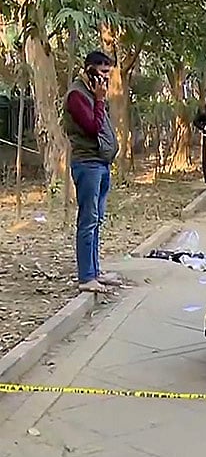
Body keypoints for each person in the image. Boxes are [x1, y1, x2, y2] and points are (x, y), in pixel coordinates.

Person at [63, 51, 119, 293]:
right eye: (102, 72)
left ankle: (95, 271)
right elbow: (93, 127)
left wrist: (99, 98)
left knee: (97, 220)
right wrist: (99, 99)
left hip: (101, 163)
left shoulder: (93, 93)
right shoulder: (77, 95)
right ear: (89, 70)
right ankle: (86, 277)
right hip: (87, 164)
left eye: (108, 72)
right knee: (88, 220)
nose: (106, 77)